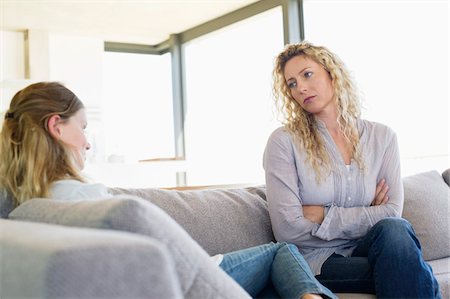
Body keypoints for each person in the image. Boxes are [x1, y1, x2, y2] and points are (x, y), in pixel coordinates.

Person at [0, 81, 337, 299]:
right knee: (281, 252)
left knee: (278, 286)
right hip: (197, 280)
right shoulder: (82, 198)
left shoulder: (27, 204)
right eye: (82, 128)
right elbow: (177, 262)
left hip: (181, 279)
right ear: (57, 126)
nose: (87, 143)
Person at [264, 41, 441, 298]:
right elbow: (288, 229)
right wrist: (367, 213)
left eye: (307, 74)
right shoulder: (284, 141)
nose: (300, 87)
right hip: (319, 261)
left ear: (331, 73)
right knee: (407, 267)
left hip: (370, 248)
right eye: (292, 83)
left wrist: (323, 215)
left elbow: (391, 212)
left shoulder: (383, 137)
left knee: (395, 228)